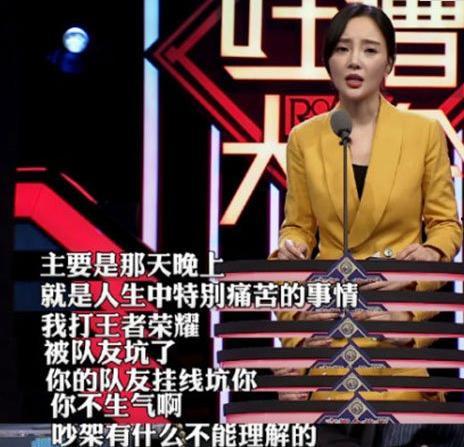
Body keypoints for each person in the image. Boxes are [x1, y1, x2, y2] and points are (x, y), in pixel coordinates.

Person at [272, 2, 463, 446]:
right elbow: (298, 226)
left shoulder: (422, 133)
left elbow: (446, 226)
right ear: (328, 61)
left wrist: (431, 254)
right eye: (343, 49)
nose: (354, 61)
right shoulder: (305, 138)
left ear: (389, 63)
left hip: (394, 325)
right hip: (328, 326)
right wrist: (290, 244)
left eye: (370, 50)